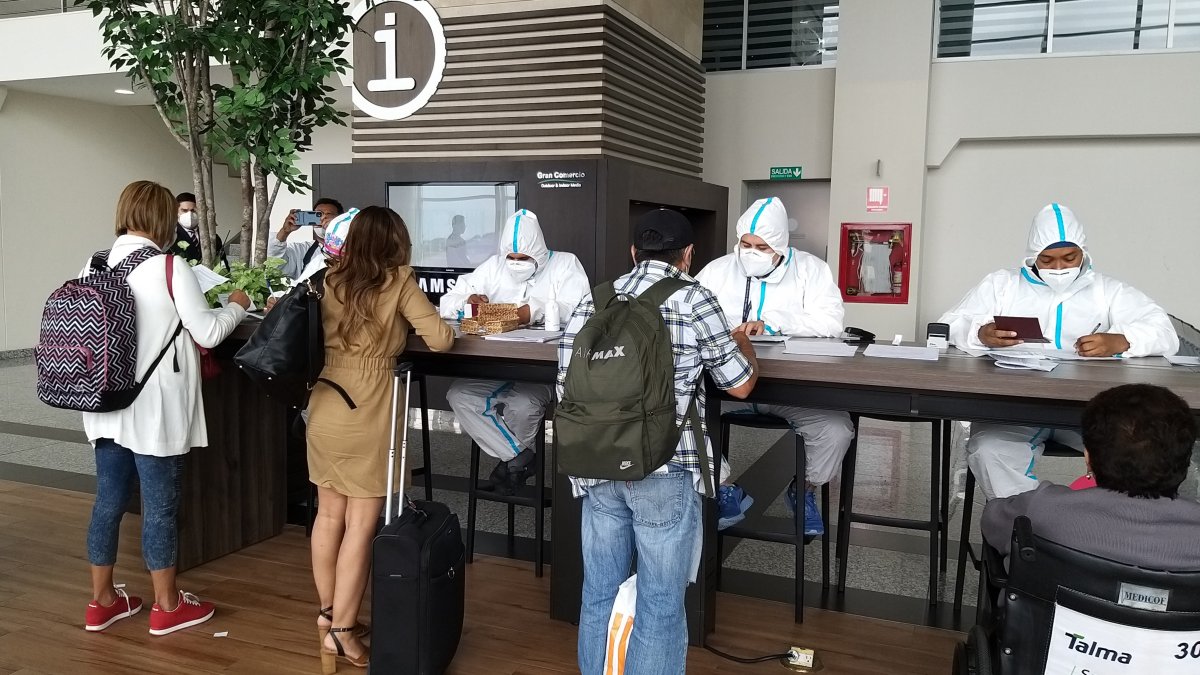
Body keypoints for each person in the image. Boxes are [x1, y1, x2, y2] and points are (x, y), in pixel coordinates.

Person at [559, 208, 759, 675]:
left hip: (596, 465)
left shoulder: (594, 301)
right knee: (660, 606)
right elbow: (740, 384)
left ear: (634, 253)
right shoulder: (695, 300)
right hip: (664, 468)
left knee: (597, 597)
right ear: (688, 256)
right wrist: (743, 342)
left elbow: (565, 384)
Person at [82, 181, 250, 635]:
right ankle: (167, 606)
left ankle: (102, 602)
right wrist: (237, 306)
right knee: (159, 507)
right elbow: (209, 334)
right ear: (164, 219)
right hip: (154, 409)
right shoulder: (170, 267)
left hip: (103, 403)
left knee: (108, 502)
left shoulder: (94, 263)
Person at [939, 203, 1179, 499]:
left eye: (1069, 258)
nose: (1059, 268)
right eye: (1048, 259)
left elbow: (1165, 333)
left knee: (1139, 449)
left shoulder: (1107, 291)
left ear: (1084, 253)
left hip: (1090, 411)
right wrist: (979, 332)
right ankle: (1030, 527)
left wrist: (1121, 340)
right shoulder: (1002, 286)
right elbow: (945, 326)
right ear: (1032, 257)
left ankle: (1107, 527)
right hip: (1014, 407)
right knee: (989, 450)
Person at [306, 206, 455, 671]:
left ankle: (328, 614)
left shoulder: (327, 278)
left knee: (328, 515)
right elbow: (441, 340)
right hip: (370, 407)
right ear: (394, 242)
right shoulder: (399, 281)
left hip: (325, 401)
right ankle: (343, 635)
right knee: (361, 523)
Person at [695, 197, 852, 535]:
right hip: (721, 386)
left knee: (836, 428)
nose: (750, 252)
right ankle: (723, 488)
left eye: (761, 247)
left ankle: (804, 489)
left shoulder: (812, 271)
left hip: (785, 389)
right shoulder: (717, 270)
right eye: (745, 244)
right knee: (678, 413)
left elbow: (831, 321)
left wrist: (771, 322)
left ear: (780, 246)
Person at [438, 209, 590, 494]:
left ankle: (511, 467)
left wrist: (532, 311)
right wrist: (468, 301)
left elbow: (578, 308)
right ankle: (518, 459)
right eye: (512, 258)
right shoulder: (493, 267)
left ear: (539, 254)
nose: (517, 264)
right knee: (460, 395)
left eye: (525, 259)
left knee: (523, 405)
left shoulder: (565, 265)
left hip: (545, 373)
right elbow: (448, 301)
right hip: (497, 367)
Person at [982, 384, 1200, 569]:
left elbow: (993, 520)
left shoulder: (1039, 511)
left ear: (1088, 458)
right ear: (1186, 458)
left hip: (1049, 619)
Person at [270, 198, 344, 281]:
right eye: (318, 215)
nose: (323, 219)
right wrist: (284, 232)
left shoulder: (352, 248)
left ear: (340, 220)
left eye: (329, 215)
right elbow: (273, 264)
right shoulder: (301, 250)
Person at [170, 192, 224, 265]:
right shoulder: (170, 236)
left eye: (193, 210)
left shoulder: (213, 238)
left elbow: (223, 265)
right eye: (184, 210)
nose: (189, 214)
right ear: (176, 211)